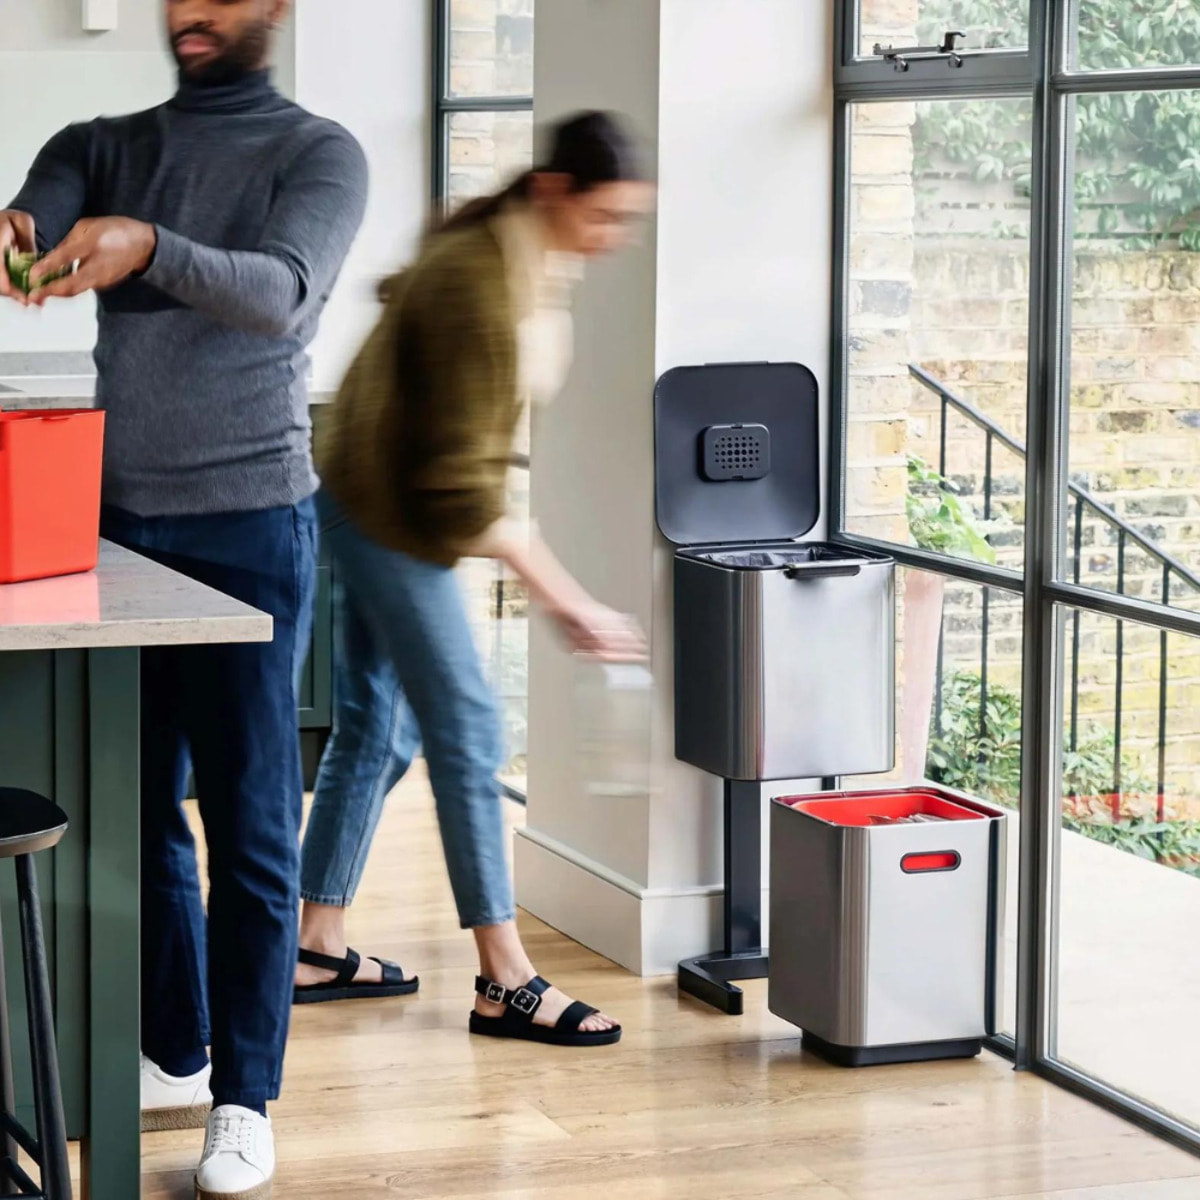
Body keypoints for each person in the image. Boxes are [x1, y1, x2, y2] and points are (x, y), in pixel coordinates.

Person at [0, 1, 367, 1195]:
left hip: (254, 522)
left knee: (253, 825)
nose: (191, 11)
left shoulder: (317, 153)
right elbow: (44, 203)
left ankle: (245, 1101)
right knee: (139, 804)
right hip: (110, 524)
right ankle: (175, 1044)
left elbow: (279, 292)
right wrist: (21, 231)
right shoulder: (101, 140)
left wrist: (148, 248)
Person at [294, 111, 654, 1047]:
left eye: (628, 220)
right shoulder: (481, 282)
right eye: (604, 215)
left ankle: (312, 941)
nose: (613, 237)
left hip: (369, 493)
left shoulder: (522, 257)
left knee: (381, 725)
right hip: (383, 510)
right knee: (469, 725)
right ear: (553, 191)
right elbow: (458, 491)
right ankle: (507, 978)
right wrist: (568, 598)